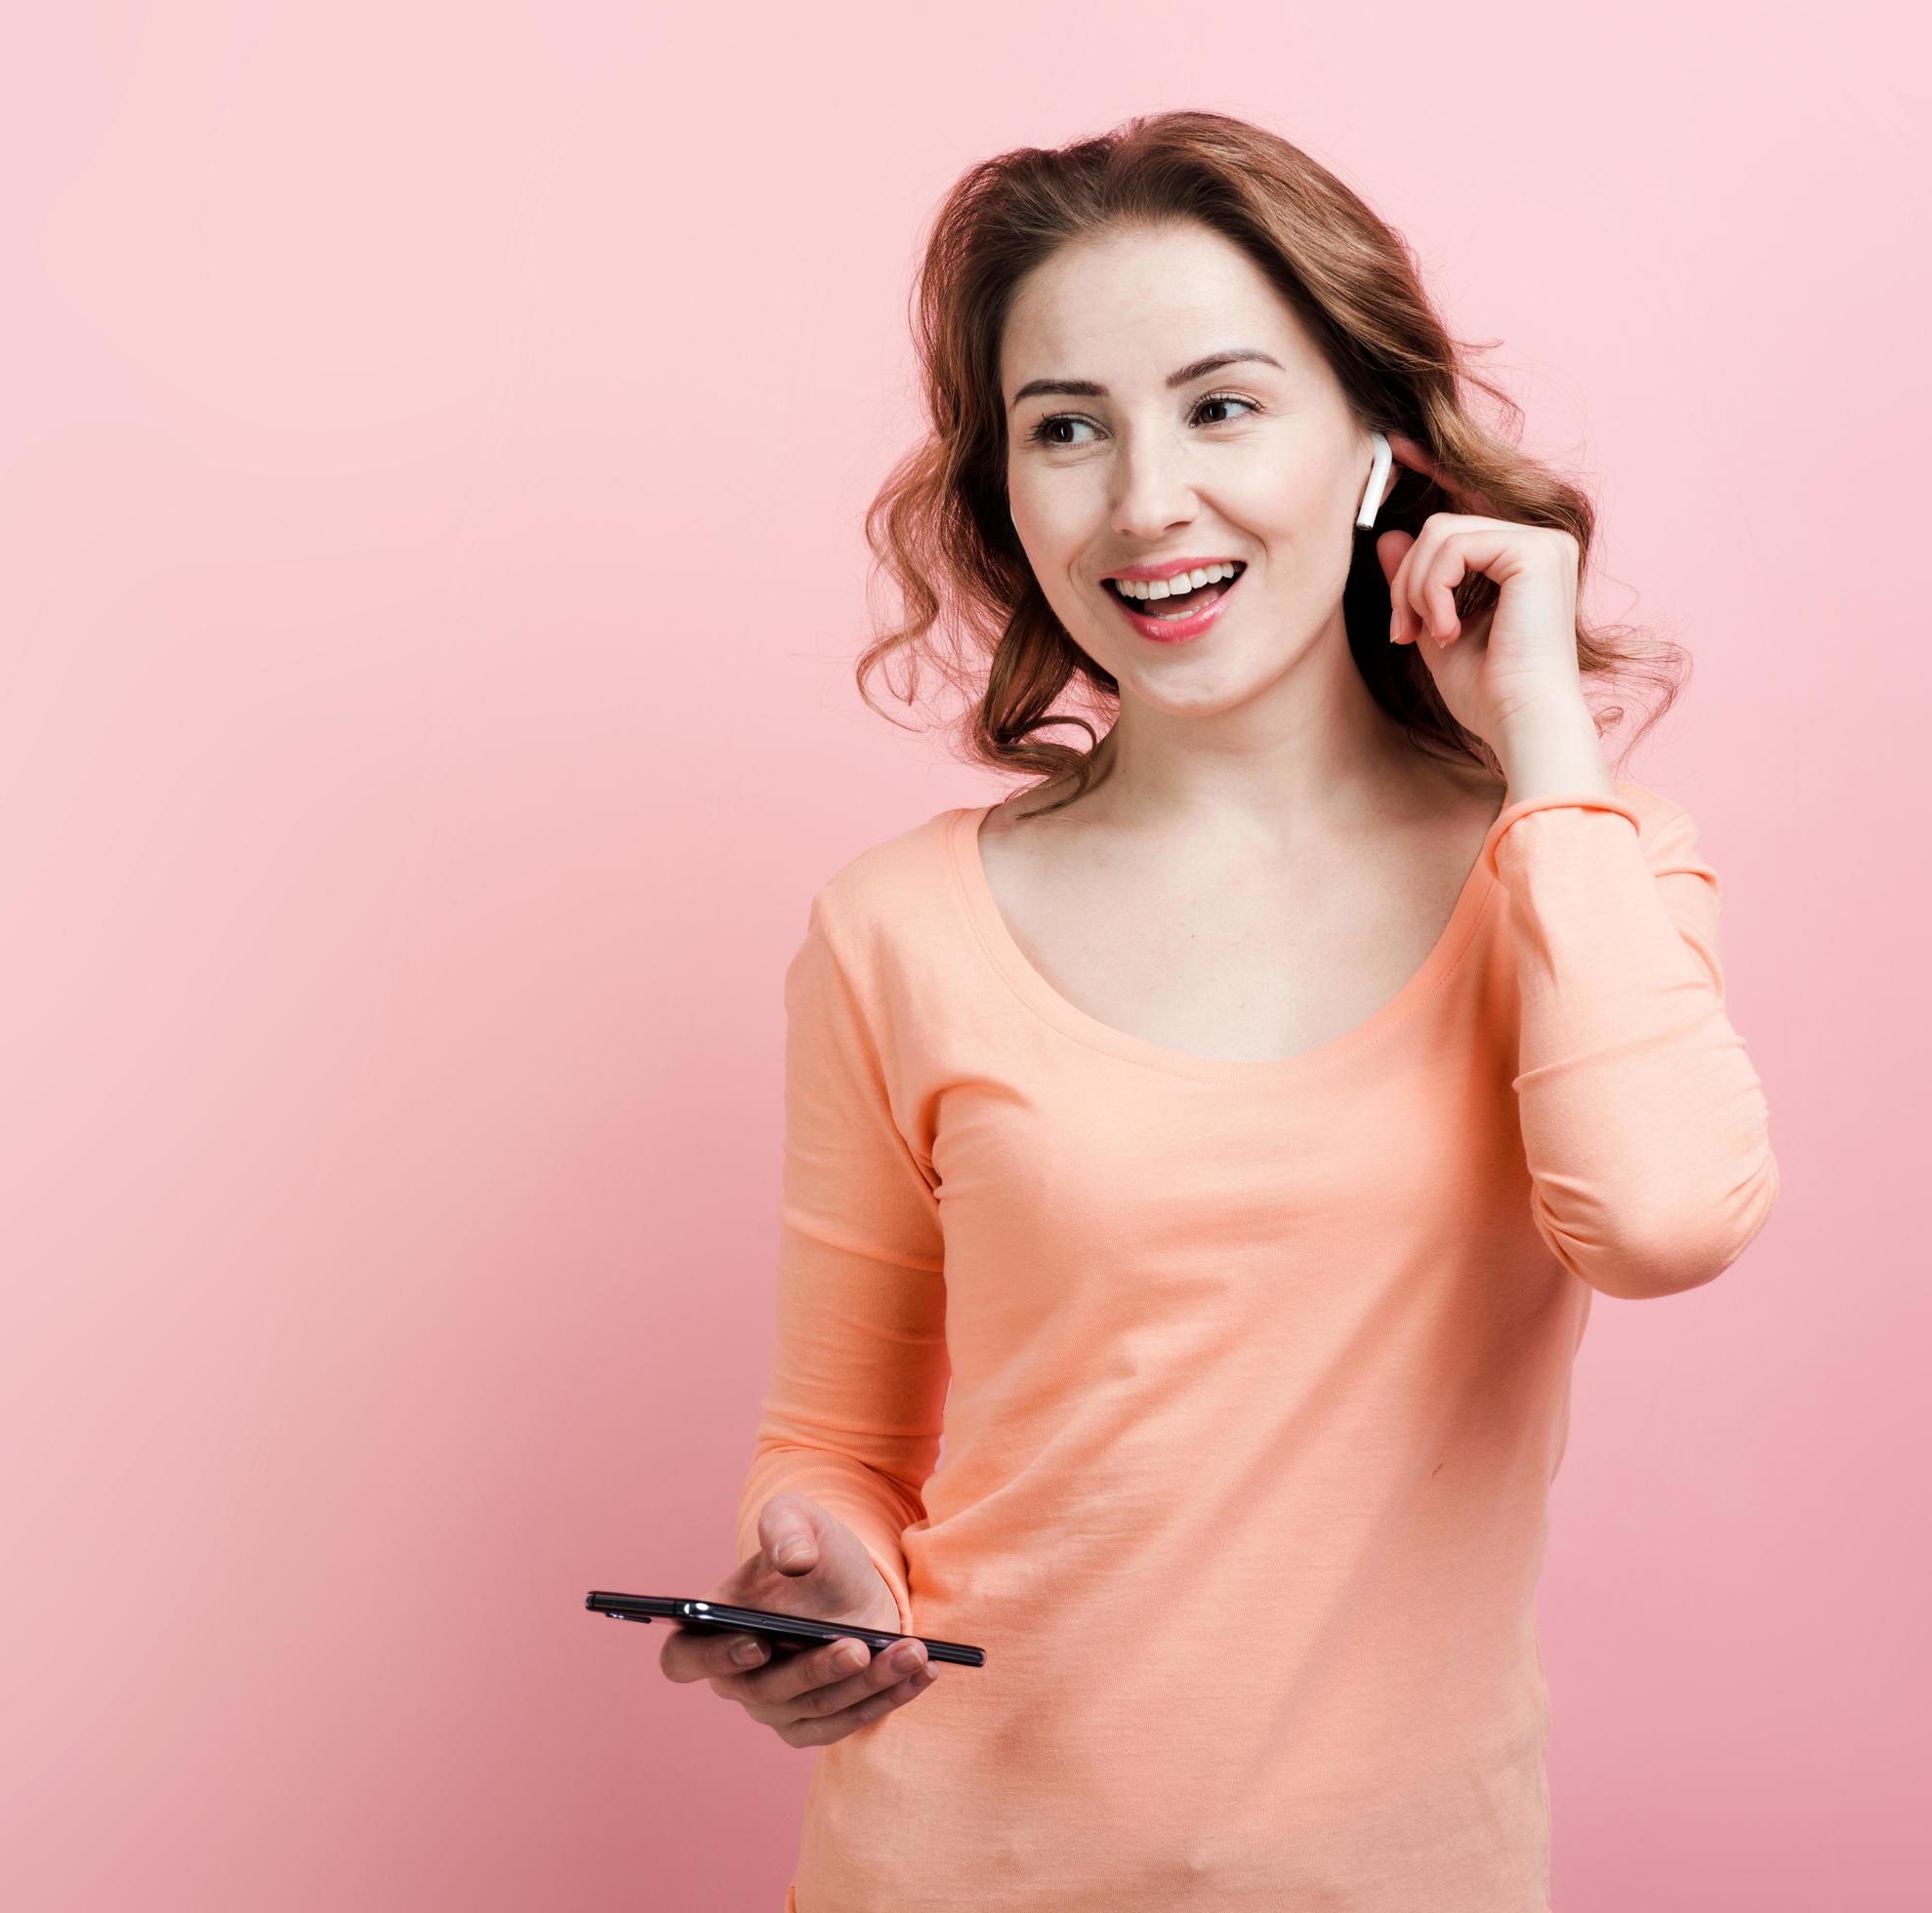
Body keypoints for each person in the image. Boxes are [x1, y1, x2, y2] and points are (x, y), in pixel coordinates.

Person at [654, 111, 1782, 1909]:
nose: (1143, 502)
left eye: (1221, 406)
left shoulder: (1581, 865)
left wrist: (1541, 742)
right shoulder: (895, 929)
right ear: (1004, 496)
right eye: (1065, 428)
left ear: (1376, 446)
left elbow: (1658, 1223)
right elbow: (838, 1448)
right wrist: (825, 1579)